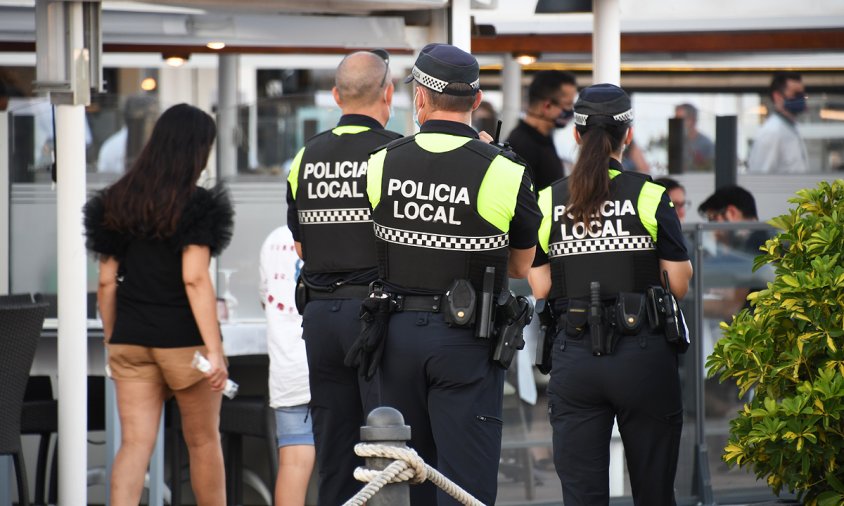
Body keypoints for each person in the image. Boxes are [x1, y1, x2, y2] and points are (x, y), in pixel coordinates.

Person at [364, 43, 541, 505]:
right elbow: (522, 266)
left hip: (395, 335)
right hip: (467, 340)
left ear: (420, 98)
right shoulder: (505, 170)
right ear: (477, 101)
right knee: (464, 484)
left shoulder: (382, 161)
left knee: (406, 478)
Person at [528, 83, 692, 506]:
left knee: (582, 496)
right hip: (644, 356)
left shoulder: (549, 200)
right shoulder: (650, 195)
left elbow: (542, 287)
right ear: (629, 135)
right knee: (655, 492)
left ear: (578, 136)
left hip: (576, 356)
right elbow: (678, 283)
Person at [83, 103, 233, 506]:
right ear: (197, 150)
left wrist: (114, 337)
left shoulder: (116, 201)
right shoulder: (198, 205)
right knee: (202, 442)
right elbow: (194, 277)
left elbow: (105, 281)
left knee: (134, 446)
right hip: (185, 344)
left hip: (131, 339)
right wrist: (215, 350)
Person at [285, 49, 401, 505]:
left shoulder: (305, 156)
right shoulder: (394, 154)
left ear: (336, 96)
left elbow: (300, 245)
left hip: (319, 317)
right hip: (375, 320)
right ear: (388, 93)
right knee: (387, 442)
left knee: (333, 447)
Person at [259, 226, 314, 506]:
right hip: (332, 361)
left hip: (287, 368)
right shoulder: (340, 229)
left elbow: (264, 298)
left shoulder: (273, 240)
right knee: (348, 461)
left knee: (292, 464)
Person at [507, 70, 578, 192]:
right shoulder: (521, 146)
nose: (571, 111)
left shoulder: (543, 139)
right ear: (547, 106)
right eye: (567, 104)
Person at [747, 71, 809, 174]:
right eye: (796, 94)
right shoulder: (771, 132)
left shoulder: (792, 128)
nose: (801, 98)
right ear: (777, 96)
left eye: (802, 94)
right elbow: (759, 179)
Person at [674, 103, 714, 172]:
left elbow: (711, 170)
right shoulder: (675, 143)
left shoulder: (706, 144)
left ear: (693, 120)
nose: (676, 124)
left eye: (680, 120)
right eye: (675, 120)